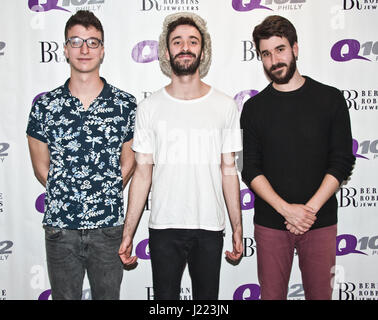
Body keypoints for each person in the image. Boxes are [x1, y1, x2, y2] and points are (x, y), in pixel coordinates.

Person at [118, 12, 243, 300]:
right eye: (177, 41)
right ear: (166, 50)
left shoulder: (225, 106)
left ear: (203, 49)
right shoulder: (149, 107)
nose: (185, 47)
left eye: (192, 41)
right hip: (164, 226)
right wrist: (128, 234)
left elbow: (228, 171)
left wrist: (238, 228)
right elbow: (142, 173)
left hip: (210, 226)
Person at [240, 15, 355, 300]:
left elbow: (341, 161)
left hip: (320, 220)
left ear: (295, 48)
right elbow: (249, 168)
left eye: (280, 49)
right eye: (266, 54)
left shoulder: (330, 99)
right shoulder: (253, 109)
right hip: (271, 223)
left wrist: (308, 211)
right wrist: (287, 210)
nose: (274, 60)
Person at [26, 10, 136, 300]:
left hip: (109, 227)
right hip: (61, 229)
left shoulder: (125, 105)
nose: (84, 49)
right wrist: (71, 195)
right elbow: (40, 167)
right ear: (64, 49)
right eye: (76, 41)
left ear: (103, 50)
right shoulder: (45, 107)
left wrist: (104, 192)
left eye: (92, 42)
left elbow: (130, 160)